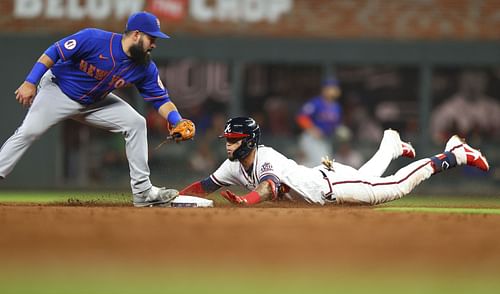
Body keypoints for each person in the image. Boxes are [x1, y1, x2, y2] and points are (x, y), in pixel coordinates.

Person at [0, 11, 195, 207]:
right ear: (136, 34)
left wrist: (177, 120)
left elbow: (161, 100)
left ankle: (143, 192)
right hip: (58, 90)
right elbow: (54, 51)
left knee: (136, 123)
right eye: (151, 38)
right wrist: (30, 81)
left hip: (94, 102)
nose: (154, 44)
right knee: (28, 132)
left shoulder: (145, 67)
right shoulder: (94, 38)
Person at [180, 117, 488, 206]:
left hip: (331, 185)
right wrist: (176, 198)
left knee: (393, 187)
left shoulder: (267, 156)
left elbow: (268, 186)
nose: (229, 144)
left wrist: (246, 201)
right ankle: (391, 145)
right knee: (368, 179)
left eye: (233, 139)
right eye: (228, 139)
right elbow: (205, 185)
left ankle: (454, 154)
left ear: (248, 141)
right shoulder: (232, 165)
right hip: (322, 177)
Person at [296, 77, 343, 167]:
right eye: (331, 88)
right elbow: (301, 117)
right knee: (323, 165)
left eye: (335, 88)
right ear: (324, 90)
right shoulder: (316, 103)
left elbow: (335, 125)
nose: (334, 90)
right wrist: (312, 129)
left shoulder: (337, 107)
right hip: (311, 138)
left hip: (325, 140)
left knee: (321, 166)